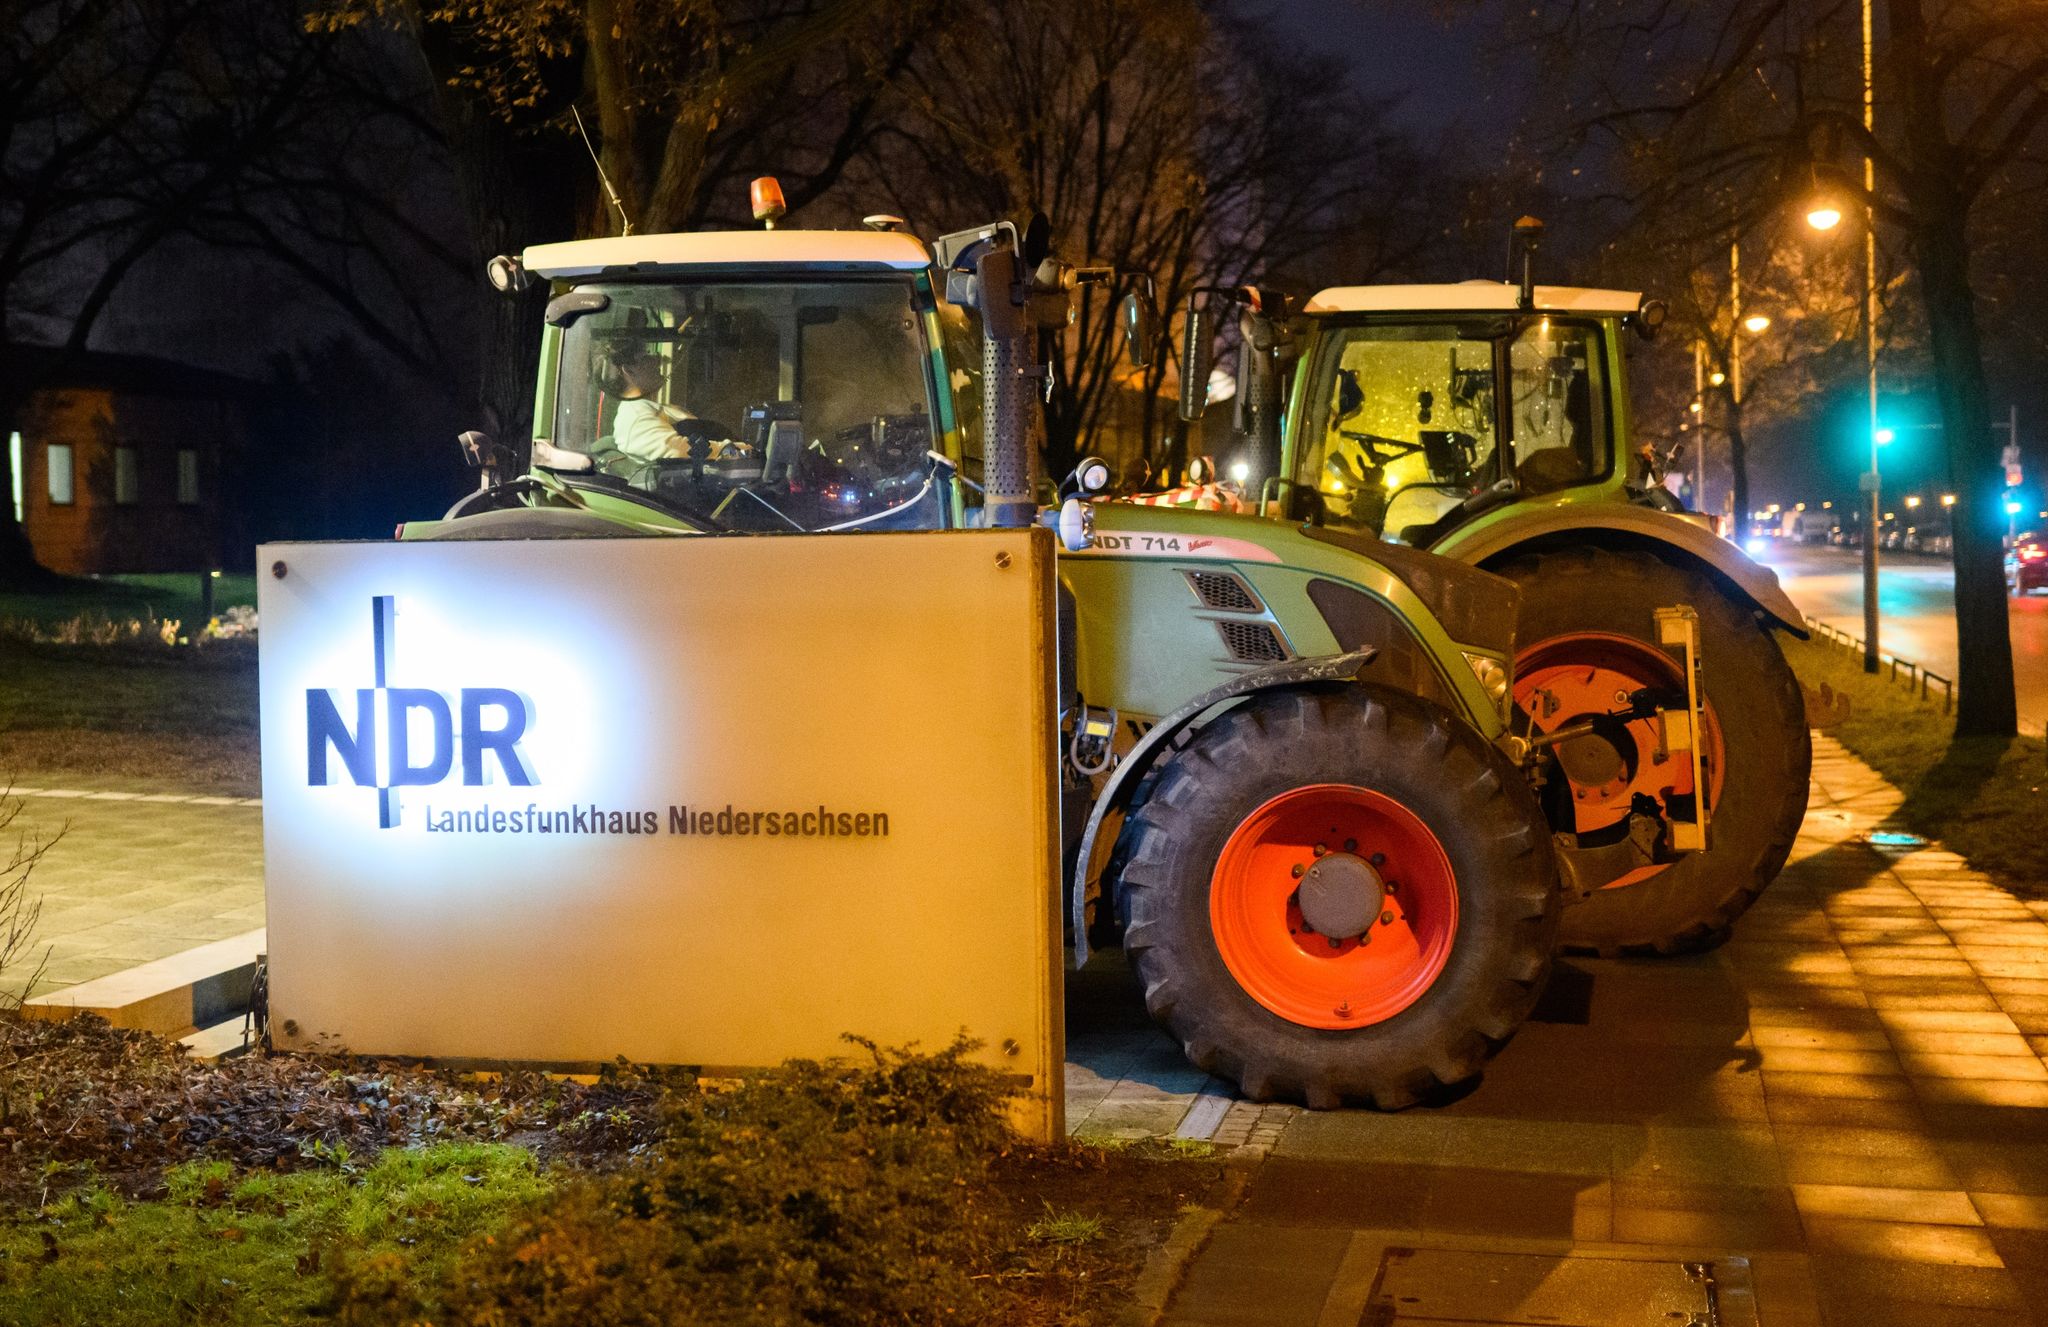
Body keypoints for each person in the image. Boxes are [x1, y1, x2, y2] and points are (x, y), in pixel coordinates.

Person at [606, 345, 698, 464]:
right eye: (645, 357)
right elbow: (678, 452)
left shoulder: (649, 408)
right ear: (629, 370)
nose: (656, 360)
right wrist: (727, 449)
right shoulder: (636, 417)